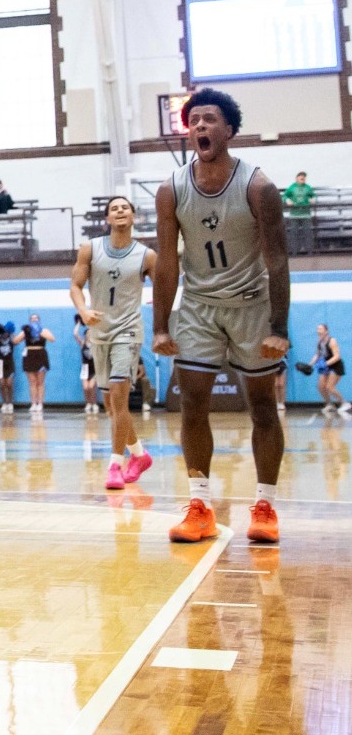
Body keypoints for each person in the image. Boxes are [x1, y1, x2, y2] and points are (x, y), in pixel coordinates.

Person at [152, 88, 290, 544]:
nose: (199, 127)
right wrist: (159, 324)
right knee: (192, 403)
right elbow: (168, 261)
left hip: (251, 303)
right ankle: (199, 504)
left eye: (209, 120)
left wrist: (279, 326)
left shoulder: (258, 186)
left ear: (229, 130)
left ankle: (265, 505)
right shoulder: (171, 189)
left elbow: (277, 259)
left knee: (263, 407)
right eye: (194, 122)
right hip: (198, 306)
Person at [71, 194, 157, 490]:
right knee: (110, 405)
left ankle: (114, 466)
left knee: (120, 398)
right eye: (113, 209)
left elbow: (167, 287)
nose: (119, 211)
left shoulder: (147, 255)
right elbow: (75, 285)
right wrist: (83, 311)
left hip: (129, 331)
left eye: (125, 208)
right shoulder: (90, 249)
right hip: (99, 332)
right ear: (107, 218)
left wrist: (163, 326)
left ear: (133, 217)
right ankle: (140, 455)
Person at [13, 314, 55, 414]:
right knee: (32, 382)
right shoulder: (26, 331)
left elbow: (52, 339)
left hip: (41, 355)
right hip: (29, 356)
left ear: (39, 320)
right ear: (29, 321)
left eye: (36, 318)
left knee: (40, 382)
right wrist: (25, 332)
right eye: (32, 319)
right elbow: (15, 341)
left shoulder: (43, 330)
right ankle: (33, 403)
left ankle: (40, 403)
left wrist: (39, 331)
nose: (34, 320)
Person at [315, 323, 348, 414]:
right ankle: (329, 404)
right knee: (320, 386)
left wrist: (325, 363)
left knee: (329, 387)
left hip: (336, 366)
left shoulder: (332, 341)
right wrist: (309, 365)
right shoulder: (319, 342)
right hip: (327, 366)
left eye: (320, 329)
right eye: (317, 329)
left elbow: (337, 356)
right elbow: (317, 355)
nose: (318, 331)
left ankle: (345, 403)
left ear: (326, 331)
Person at [283, 171, 314, 255]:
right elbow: (285, 196)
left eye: (304, 177)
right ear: (297, 178)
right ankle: (294, 251)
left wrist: (312, 199)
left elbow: (313, 195)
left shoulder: (308, 187)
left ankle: (309, 251)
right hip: (294, 215)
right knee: (294, 234)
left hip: (306, 214)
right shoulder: (292, 187)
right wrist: (287, 200)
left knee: (308, 233)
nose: (303, 178)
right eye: (301, 177)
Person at [0, 321, 18, 413]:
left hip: (9, 362)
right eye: (4, 332)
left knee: (9, 384)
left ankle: (10, 402)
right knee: (2, 384)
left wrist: (11, 334)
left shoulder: (11, 338)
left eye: (6, 332)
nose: (5, 334)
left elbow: (16, 342)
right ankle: (4, 403)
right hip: (0, 363)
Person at [74, 317, 99, 414]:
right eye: (88, 333)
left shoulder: (96, 344)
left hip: (94, 368)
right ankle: (88, 403)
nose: (89, 335)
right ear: (85, 335)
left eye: (91, 334)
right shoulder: (82, 343)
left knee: (92, 386)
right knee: (86, 387)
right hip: (85, 368)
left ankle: (94, 403)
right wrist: (79, 323)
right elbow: (75, 334)